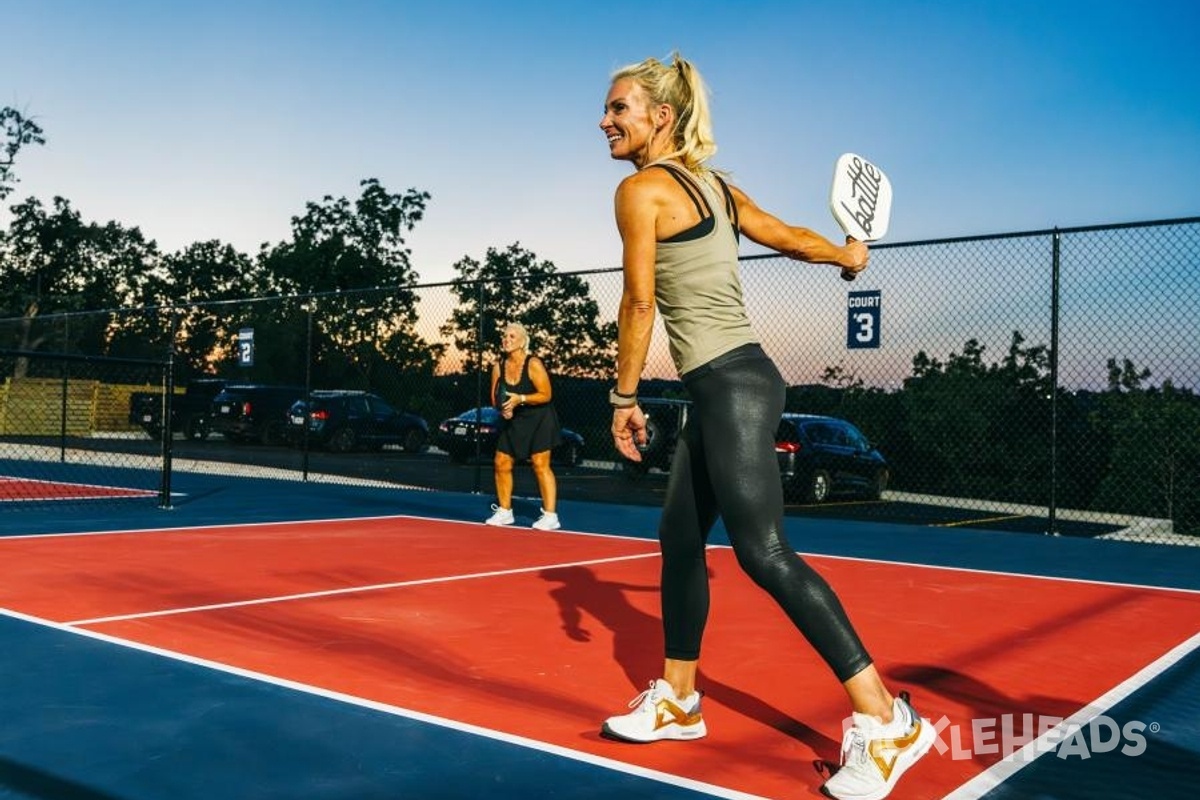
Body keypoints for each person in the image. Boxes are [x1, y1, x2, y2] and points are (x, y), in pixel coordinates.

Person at [596, 53, 934, 800]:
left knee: (764, 553)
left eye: (619, 108)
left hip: (732, 386)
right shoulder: (713, 187)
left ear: (661, 117)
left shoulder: (640, 190)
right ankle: (680, 699)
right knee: (681, 540)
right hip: (725, 384)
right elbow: (786, 234)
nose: (605, 120)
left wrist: (623, 399)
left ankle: (887, 720)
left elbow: (638, 304)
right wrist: (845, 254)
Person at [483, 323, 563, 531]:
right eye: (504, 336)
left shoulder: (533, 363)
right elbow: (495, 399)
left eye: (512, 336)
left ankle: (550, 516)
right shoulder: (498, 367)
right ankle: (505, 511)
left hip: (540, 417)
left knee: (540, 463)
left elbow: (546, 394)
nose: (506, 339)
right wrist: (503, 409)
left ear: (522, 341)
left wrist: (521, 398)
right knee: (501, 461)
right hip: (514, 419)